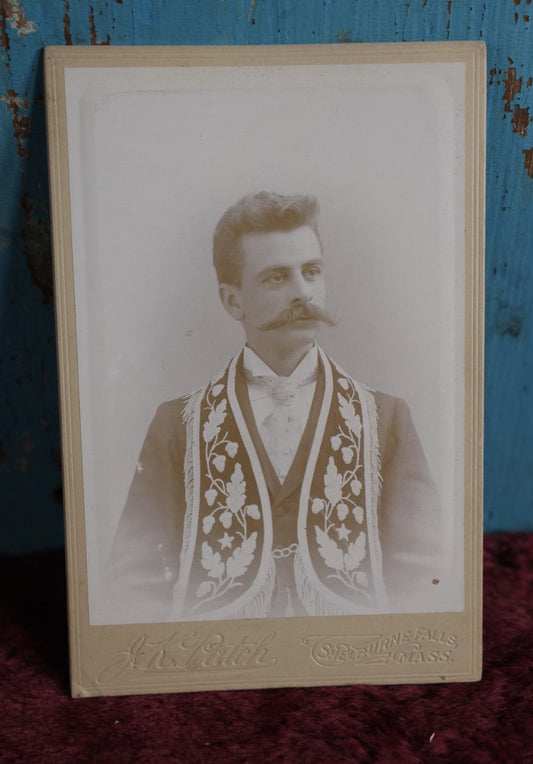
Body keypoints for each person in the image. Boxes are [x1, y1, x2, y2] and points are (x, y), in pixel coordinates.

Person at [106, 191, 444, 623]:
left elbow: (424, 581)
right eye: (276, 278)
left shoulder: (386, 418)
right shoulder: (178, 425)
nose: (303, 293)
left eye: (312, 271)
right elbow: (135, 586)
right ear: (232, 301)